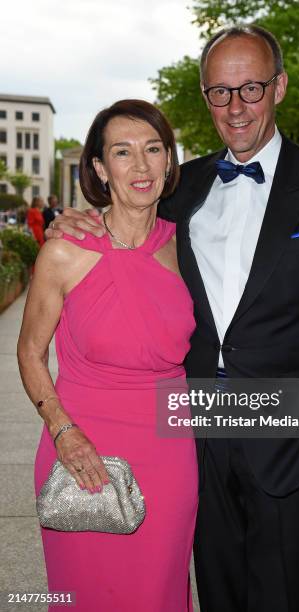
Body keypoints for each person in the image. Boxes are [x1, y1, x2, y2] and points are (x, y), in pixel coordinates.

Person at [48, 25, 299, 612]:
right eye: (219, 92)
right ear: (205, 96)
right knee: (216, 593)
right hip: (192, 439)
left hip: (289, 440)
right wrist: (74, 222)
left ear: (279, 87)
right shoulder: (184, 187)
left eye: (251, 88)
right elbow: (124, 225)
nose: (235, 108)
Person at [18, 99, 198, 612]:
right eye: (123, 152)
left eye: (153, 150)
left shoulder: (188, 246)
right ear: (100, 168)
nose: (140, 166)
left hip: (169, 449)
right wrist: (62, 430)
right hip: (79, 442)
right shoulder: (64, 251)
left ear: (169, 161)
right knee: (83, 593)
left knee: (158, 590)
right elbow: (30, 353)